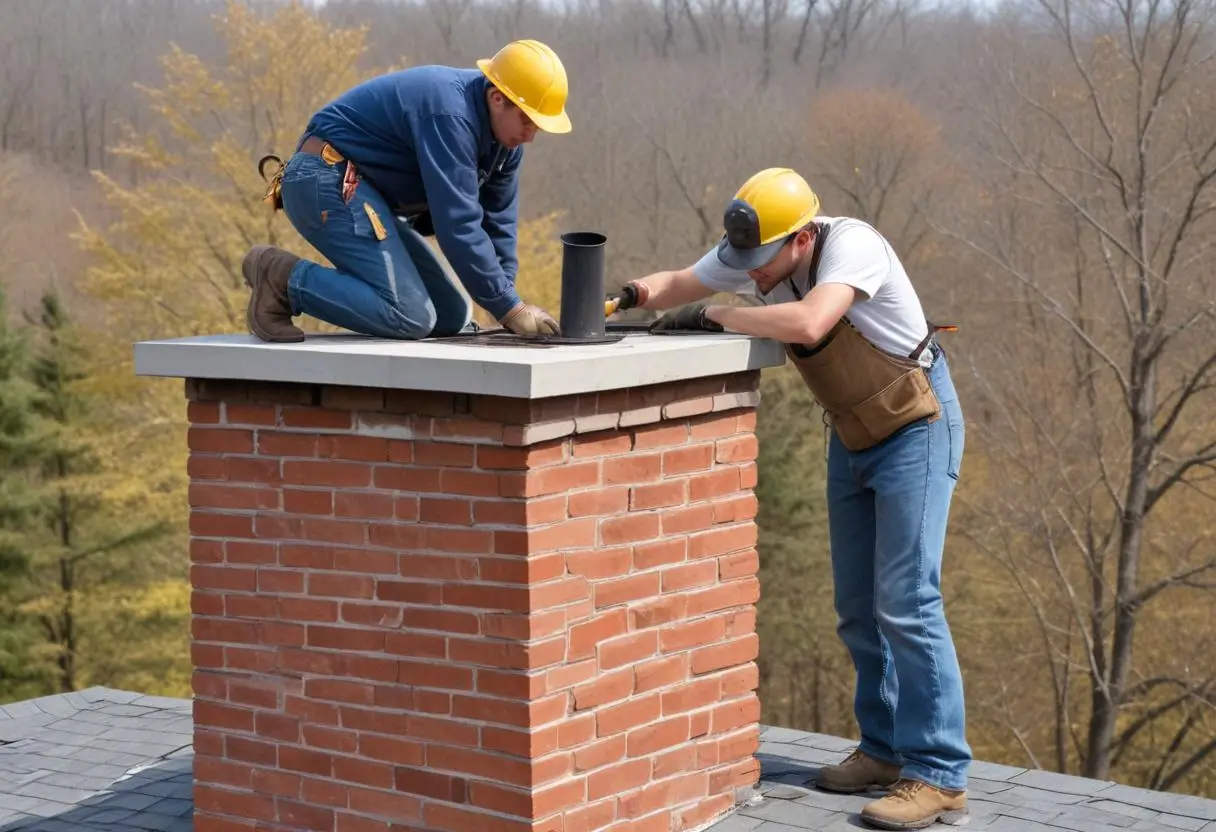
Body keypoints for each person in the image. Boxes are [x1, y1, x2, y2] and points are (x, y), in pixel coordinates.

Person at [608, 167, 971, 831]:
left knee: (908, 602)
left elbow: (809, 322)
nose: (751, 270)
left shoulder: (852, 245)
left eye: (763, 259)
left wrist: (721, 315)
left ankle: (939, 773)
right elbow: (682, 282)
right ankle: (884, 750)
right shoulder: (762, 248)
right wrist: (626, 296)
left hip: (916, 428)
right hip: (854, 432)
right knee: (858, 608)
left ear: (802, 238)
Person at [242, 39, 569, 343]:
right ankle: (281, 278)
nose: (530, 136)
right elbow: (458, 224)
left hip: (365, 195)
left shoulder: (506, 147)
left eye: (538, 126)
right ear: (497, 98)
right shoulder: (450, 114)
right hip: (324, 178)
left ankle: (291, 281)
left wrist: (508, 299)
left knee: (450, 315)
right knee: (409, 316)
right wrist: (510, 307)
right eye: (527, 121)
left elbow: (497, 222)